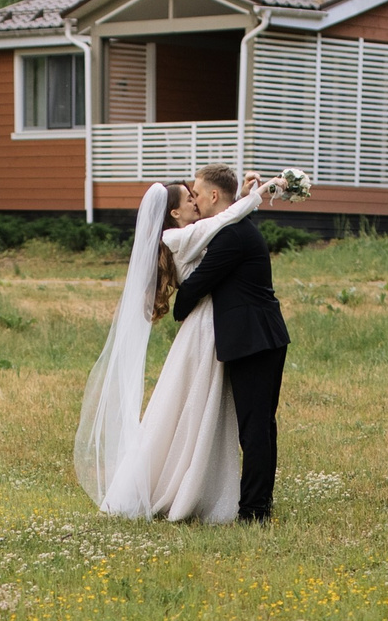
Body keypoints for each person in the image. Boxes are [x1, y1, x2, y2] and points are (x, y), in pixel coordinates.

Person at [73, 176, 265, 524]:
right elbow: (224, 219)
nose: (196, 200)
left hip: (211, 324)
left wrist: (241, 191)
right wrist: (257, 196)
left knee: (196, 409)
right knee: (194, 409)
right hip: (205, 329)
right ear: (174, 211)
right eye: (189, 198)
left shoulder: (189, 232)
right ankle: (181, 486)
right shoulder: (176, 237)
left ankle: (198, 482)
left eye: (196, 194)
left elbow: (221, 215)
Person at [169, 163, 288, 523]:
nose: (196, 200)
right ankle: (259, 503)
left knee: (255, 428)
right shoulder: (237, 228)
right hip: (264, 335)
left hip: (253, 340)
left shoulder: (231, 236)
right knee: (261, 426)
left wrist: (176, 297)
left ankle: (254, 510)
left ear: (214, 195)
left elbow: (194, 289)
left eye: (198, 193)